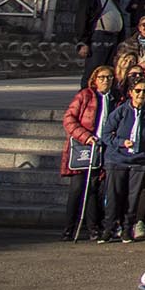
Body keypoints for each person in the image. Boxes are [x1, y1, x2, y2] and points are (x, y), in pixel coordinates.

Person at [99, 78, 145, 242]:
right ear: (131, 92)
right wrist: (121, 142)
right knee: (114, 196)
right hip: (118, 159)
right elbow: (106, 134)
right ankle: (109, 228)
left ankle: (127, 229)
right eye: (138, 91)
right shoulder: (121, 111)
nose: (141, 94)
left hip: (140, 161)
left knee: (133, 198)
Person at [61, 67, 114, 241]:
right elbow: (69, 119)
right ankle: (68, 228)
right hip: (83, 146)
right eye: (102, 77)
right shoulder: (85, 95)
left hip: (102, 148)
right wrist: (85, 136)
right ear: (95, 79)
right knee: (77, 188)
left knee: (93, 188)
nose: (106, 80)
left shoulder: (114, 98)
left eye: (109, 77)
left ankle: (93, 228)